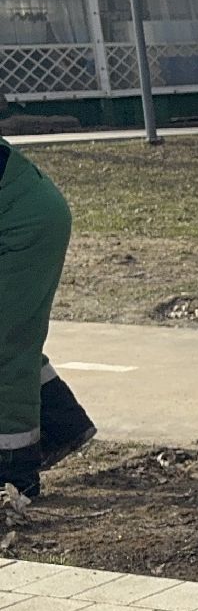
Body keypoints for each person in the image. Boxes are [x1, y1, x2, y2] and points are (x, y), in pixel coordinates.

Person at [0, 137, 96, 501]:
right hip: (24, 217)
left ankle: (13, 473)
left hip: (23, 229)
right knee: (14, 335)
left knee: (4, 346)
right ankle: (63, 425)